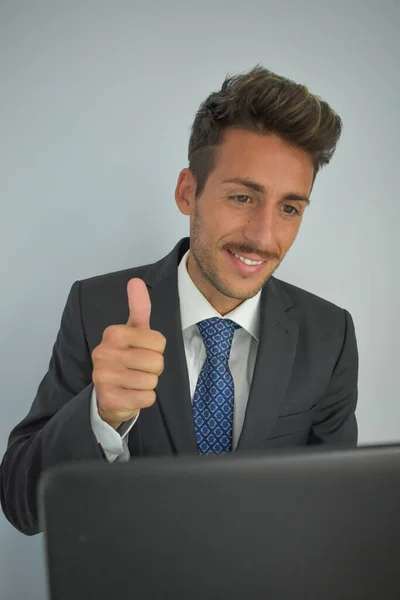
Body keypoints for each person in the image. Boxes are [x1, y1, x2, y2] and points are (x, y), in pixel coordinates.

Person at [0, 65, 358, 536]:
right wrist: (101, 414)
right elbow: (23, 507)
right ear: (188, 192)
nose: (263, 237)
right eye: (243, 198)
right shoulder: (95, 307)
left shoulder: (330, 335)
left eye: (289, 208)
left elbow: (336, 513)